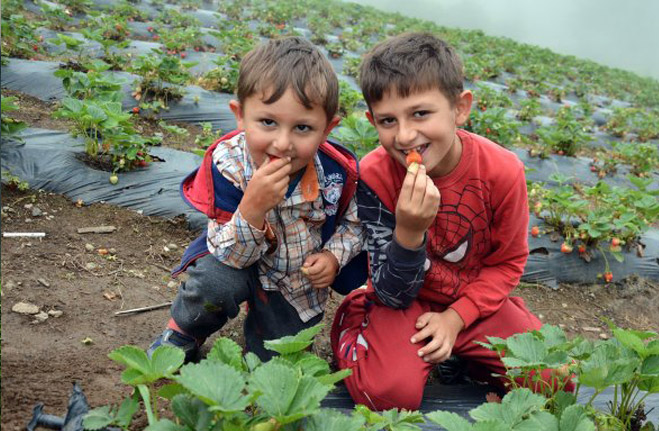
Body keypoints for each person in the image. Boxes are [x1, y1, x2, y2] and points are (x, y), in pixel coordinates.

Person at [330, 32, 573, 410]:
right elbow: (392, 290)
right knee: (388, 395)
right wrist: (409, 233)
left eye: (421, 113)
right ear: (370, 121)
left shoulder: (502, 172)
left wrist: (457, 319)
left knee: (556, 383)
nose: (405, 135)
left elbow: (507, 263)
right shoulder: (375, 174)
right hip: (402, 302)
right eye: (388, 121)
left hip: (472, 303)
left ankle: (471, 347)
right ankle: (354, 322)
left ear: (460, 108)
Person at [149, 36, 366, 362]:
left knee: (275, 362)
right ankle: (182, 333)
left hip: (295, 278)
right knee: (213, 284)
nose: (282, 143)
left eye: (303, 128)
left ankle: (265, 340)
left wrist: (334, 257)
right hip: (235, 261)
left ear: (327, 129)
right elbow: (228, 254)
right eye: (267, 122)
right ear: (240, 115)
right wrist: (252, 207)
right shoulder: (228, 166)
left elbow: (355, 222)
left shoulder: (336, 173)